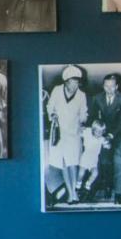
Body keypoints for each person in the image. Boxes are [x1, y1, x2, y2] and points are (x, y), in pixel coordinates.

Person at [46, 65, 88, 204]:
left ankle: (74, 193)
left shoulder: (81, 95)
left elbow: (84, 113)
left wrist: (83, 121)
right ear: (66, 81)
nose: (75, 85)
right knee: (63, 162)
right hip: (59, 133)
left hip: (74, 133)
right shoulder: (57, 90)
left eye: (77, 82)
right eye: (73, 82)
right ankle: (71, 194)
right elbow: (50, 106)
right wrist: (52, 114)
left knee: (73, 163)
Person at [88, 73, 121, 204]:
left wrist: (110, 135)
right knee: (103, 159)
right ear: (103, 86)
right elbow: (93, 117)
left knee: (118, 159)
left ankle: (118, 193)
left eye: (112, 86)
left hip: (119, 133)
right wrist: (97, 132)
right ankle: (106, 185)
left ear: (117, 86)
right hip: (103, 132)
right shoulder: (97, 98)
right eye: (106, 86)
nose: (109, 89)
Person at [78, 119, 107, 196]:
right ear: (93, 130)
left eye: (101, 132)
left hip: (94, 161)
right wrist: (81, 128)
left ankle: (87, 184)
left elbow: (106, 144)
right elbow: (80, 131)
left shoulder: (101, 139)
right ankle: (78, 184)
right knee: (81, 173)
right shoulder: (88, 133)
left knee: (95, 173)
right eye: (97, 131)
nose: (99, 133)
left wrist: (108, 145)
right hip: (85, 158)